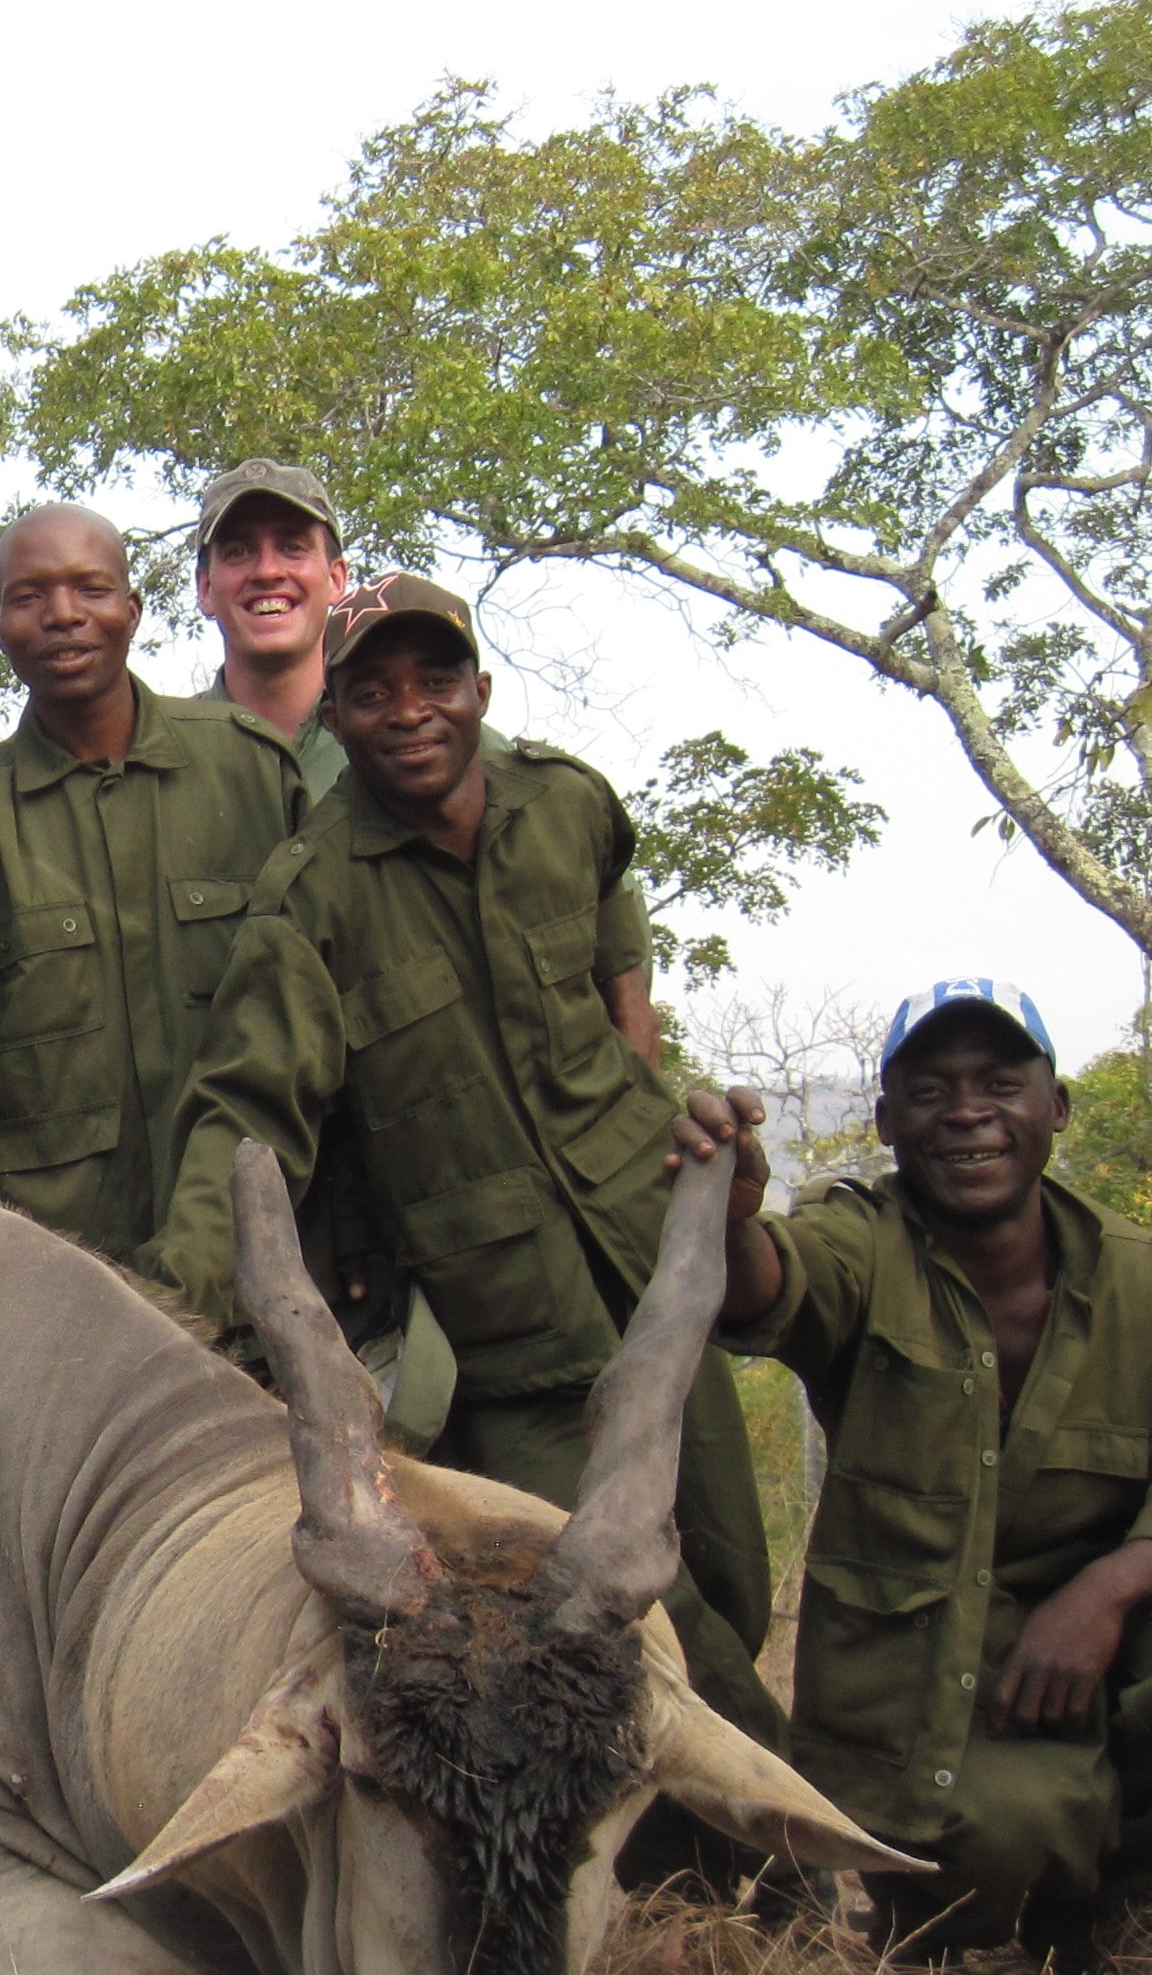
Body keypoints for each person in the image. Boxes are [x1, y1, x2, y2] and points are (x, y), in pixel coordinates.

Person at [153, 577, 783, 1807]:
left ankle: (668, 1846)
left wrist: (661, 1107)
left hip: (651, 1265)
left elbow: (617, 970)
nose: (408, 712)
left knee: (733, 1568)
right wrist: (172, 1305)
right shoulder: (313, 898)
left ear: (478, 692)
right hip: (508, 1322)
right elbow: (251, 1116)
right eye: (372, 690)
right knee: (660, 1614)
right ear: (332, 715)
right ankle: (784, 1880)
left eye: (433, 681)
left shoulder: (568, 807)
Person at [683, 979, 1152, 1975]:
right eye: (929, 1090)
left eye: (999, 1084)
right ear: (885, 1123)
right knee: (989, 1856)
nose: (967, 1112)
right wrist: (733, 1214)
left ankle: (1122, 1917)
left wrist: (1101, 1596)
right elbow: (770, 1287)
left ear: (1054, 1106)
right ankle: (965, 1890)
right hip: (933, 1684)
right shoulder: (863, 1245)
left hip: (1107, 1645)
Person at [0, 504, 307, 1263]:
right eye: (29, 597)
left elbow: (325, 1014)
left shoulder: (250, 773)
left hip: (265, 1262)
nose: (62, 616)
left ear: (132, 609)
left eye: (90, 589)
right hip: (69, 1295)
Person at [192, 458, 354, 793]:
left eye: (293, 548)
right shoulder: (158, 755)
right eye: (238, 551)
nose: (267, 572)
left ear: (336, 579)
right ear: (205, 589)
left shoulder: (411, 743)